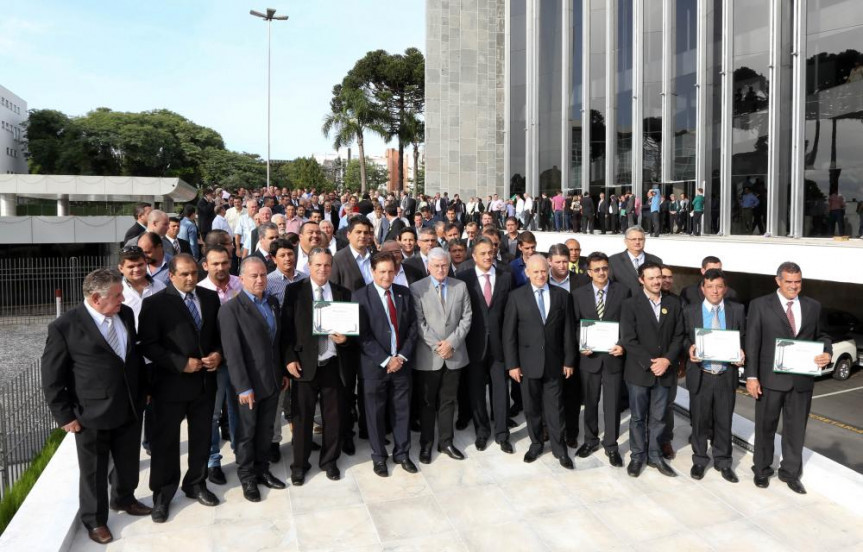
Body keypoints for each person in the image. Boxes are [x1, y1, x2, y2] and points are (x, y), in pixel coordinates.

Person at [41, 268, 150, 545]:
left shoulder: (124, 315)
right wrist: (64, 415)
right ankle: (95, 520)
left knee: (127, 461)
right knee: (94, 472)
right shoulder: (65, 326)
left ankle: (124, 498)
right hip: (90, 413)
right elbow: (52, 376)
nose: (122, 299)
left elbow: (133, 357)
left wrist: (143, 391)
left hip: (128, 405)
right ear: (95, 298)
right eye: (116, 295)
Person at [139, 254, 223, 523]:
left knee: (201, 436)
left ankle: (196, 483)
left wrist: (218, 355)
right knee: (165, 443)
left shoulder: (209, 299)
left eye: (194, 273)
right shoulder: (155, 304)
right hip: (170, 385)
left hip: (204, 382)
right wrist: (179, 363)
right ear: (171, 275)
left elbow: (218, 337)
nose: (190, 278)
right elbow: (148, 344)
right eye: (184, 274)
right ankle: (162, 495)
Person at [745, 262, 832, 494]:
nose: (794, 286)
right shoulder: (760, 305)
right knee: (765, 427)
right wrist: (751, 376)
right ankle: (762, 470)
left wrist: (827, 352)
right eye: (789, 282)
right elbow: (752, 343)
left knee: (796, 430)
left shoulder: (813, 306)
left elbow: (822, 335)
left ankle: (790, 473)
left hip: (802, 381)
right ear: (778, 281)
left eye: (798, 282)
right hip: (769, 381)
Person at [218, 257, 287, 502]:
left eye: (263, 275)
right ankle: (247, 477)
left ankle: (262, 469)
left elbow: (276, 343)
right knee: (247, 433)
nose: (260, 280)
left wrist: (282, 374)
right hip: (249, 384)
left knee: (266, 430)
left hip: (272, 379)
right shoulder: (231, 310)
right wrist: (243, 386)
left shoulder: (272, 302)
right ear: (242, 279)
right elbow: (233, 353)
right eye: (254, 276)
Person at [283, 248, 351, 484]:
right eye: (318, 265)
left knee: (334, 417)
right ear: (309, 266)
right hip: (304, 365)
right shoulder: (294, 292)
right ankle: (299, 465)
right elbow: (286, 331)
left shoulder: (342, 293)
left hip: (333, 363)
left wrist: (345, 340)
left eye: (327, 265)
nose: (322, 269)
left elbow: (351, 331)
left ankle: (329, 461)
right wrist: (289, 358)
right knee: (302, 418)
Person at [503, 255, 576, 469]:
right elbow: (509, 335)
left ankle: (559, 448)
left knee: (555, 408)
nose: (540, 275)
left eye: (543, 271)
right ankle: (536, 444)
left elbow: (568, 332)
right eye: (535, 271)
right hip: (527, 365)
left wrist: (569, 360)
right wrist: (512, 365)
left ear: (549, 271)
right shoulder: (516, 297)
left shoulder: (562, 296)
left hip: (554, 364)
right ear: (527, 273)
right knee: (532, 408)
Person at [353, 253, 419, 477]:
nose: (386, 276)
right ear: (372, 272)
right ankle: (379, 457)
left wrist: (401, 357)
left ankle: (402, 453)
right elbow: (362, 335)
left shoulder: (404, 294)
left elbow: (412, 329)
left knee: (402, 412)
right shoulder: (360, 296)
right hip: (374, 368)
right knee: (375, 414)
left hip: (401, 365)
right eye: (382, 271)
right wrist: (385, 359)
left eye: (390, 271)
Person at [619, 261, 685, 478]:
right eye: (652, 278)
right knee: (638, 418)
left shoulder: (673, 303)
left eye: (659, 277)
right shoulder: (630, 304)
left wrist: (666, 360)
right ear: (641, 280)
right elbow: (629, 339)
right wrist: (650, 362)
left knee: (658, 417)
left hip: (664, 371)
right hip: (639, 372)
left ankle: (655, 455)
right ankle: (638, 456)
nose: (657, 281)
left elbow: (678, 336)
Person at [410, 248, 472, 464]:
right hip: (429, 356)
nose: (440, 269)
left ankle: (446, 441)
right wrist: (439, 347)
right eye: (436, 265)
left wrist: (452, 343)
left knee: (448, 401)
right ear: (428, 266)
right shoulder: (417, 288)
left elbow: (466, 318)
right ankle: (426, 444)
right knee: (427, 403)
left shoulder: (460, 286)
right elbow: (419, 323)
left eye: (444, 265)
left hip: (454, 355)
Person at [683, 269, 745, 483]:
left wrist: (742, 353)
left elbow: (743, 338)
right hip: (702, 374)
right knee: (699, 421)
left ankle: (723, 461)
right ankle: (700, 460)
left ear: (725, 288)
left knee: (724, 421)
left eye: (719, 286)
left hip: (726, 375)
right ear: (703, 289)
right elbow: (682, 337)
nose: (715, 291)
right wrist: (689, 348)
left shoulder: (737, 310)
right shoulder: (690, 311)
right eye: (710, 286)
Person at [456, 237, 515, 453]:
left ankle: (502, 434)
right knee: (476, 392)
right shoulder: (463, 278)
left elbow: (511, 314)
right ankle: (482, 432)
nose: (488, 256)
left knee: (501, 391)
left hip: (500, 347)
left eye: (490, 252)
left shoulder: (506, 277)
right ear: (474, 256)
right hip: (473, 346)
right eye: (483, 253)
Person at [572, 252, 630, 466]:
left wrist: (623, 344)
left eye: (604, 268)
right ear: (589, 272)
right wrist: (582, 343)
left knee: (612, 404)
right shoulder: (578, 294)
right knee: (590, 402)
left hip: (613, 357)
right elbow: (575, 324)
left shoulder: (623, 292)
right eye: (596, 269)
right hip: (590, 358)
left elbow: (628, 322)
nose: (601, 273)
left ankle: (611, 445)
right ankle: (590, 440)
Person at [197, 245, 243, 486]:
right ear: (205, 266)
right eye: (215, 263)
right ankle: (213, 461)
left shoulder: (240, 284)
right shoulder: (200, 291)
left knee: (238, 409)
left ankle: (241, 453)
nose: (221, 267)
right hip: (213, 363)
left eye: (224, 262)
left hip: (237, 359)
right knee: (213, 414)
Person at [330, 216, 375, 455]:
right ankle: (346, 434)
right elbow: (332, 296)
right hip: (347, 334)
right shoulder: (338, 260)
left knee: (369, 384)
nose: (363, 236)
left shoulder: (375, 258)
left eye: (367, 232)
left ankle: (368, 428)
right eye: (359, 232)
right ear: (349, 234)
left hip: (373, 332)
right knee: (347, 387)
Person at [608, 226, 663, 295]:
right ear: (625, 241)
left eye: (640, 239)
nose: (637, 242)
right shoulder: (613, 261)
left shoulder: (656, 261)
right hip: (624, 304)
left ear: (644, 240)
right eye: (633, 239)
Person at [266, 238, 308, 306]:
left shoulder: (305, 278)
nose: (287, 258)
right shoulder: (268, 282)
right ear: (274, 259)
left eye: (290, 254)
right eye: (282, 256)